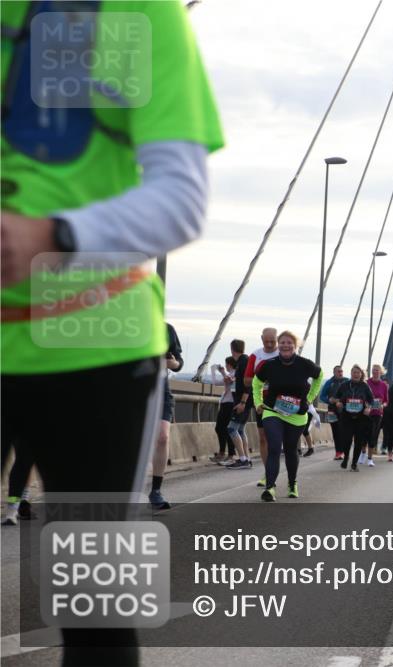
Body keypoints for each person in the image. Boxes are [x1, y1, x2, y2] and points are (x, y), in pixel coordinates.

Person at [0, 1, 223, 662]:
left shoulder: (141, 12)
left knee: (94, 610)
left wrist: (56, 236)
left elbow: (181, 199)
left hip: (93, 350)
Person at [252, 331, 322, 501]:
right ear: (278, 344)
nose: (285, 345)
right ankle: (270, 488)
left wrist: (309, 398)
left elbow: (319, 376)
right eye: (282, 342)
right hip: (272, 410)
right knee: (274, 447)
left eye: (289, 342)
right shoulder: (269, 365)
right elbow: (256, 382)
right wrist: (258, 402)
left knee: (291, 450)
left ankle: (292, 484)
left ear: (295, 345)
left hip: (296, 414)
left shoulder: (305, 364)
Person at [149, 322, 184, 510]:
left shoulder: (166, 329)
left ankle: (156, 491)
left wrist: (173, 363)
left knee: (163, 437)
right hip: (131, 389)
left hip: (161, 389)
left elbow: (178, 362)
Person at [240, 328, 279, 486]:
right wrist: (263, 378)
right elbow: (246, 381)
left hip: (281, 401)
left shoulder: (283, 353)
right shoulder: (255, 355)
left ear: (277, 339)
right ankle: (268, 473)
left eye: (272, 341)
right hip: (262, 401)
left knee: (277, 439)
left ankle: (287, 476)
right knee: (264, 438)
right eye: (266, 341)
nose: (269, 344)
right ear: (261, 338)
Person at [332, 365, 374, 471]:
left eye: (358, 373)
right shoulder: (344, 385)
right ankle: (346, 457)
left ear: (361, 374)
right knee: (346, 440)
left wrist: (368, 408)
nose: (356, 374)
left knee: (358, 441)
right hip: (346, 416)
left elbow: (371, 400)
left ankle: (354, 463)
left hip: (361, 417)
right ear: (351, 373)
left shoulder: (365, 386)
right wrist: (338, 403)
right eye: (354, 372)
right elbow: (336, 398)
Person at [225, 339, 253, 469]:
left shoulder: (243, 362)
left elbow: (248, 384)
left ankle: (242, 459)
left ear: (232, 349)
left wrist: (242, 402)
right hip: (245, 401)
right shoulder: (244, 361)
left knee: (231, 429)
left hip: (243, 401)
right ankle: (246, 458)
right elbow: (243, 381)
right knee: (240, 429)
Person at [209, 357, 237, 464]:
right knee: (220, 428)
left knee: (228, 429)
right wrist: (213, 370)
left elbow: (229, 381)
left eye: (226, 364)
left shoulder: (235, 374)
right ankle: (222, 453)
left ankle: (230, 454)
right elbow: (216, 382)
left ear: (229, 364)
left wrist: (222, 372)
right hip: (225, 403)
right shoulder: (230, 374)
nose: (225, 366)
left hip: (231, 404)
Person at [319, 365, 349, 460]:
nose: (340, 373)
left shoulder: (347, 381)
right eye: (338, 371)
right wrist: (329, 400)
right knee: (336, 431)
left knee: (344, 431)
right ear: (334, 372)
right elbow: (322, 396)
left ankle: (344, 451)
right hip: (332, 410)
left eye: (341, 371)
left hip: (345, 410)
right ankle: (338, 453)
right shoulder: (329, 382)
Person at [367, 364, 390, 462]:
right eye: (374, 370)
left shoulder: (384, 385)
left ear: (381, 372)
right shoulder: (366, 383)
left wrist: (383, 405)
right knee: (365, 433)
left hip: (377, 413)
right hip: (366, 413)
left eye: (377, 370)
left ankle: (370, 456)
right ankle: (363, 452)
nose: (375, 371)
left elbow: (386, 401)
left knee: (374, 434)